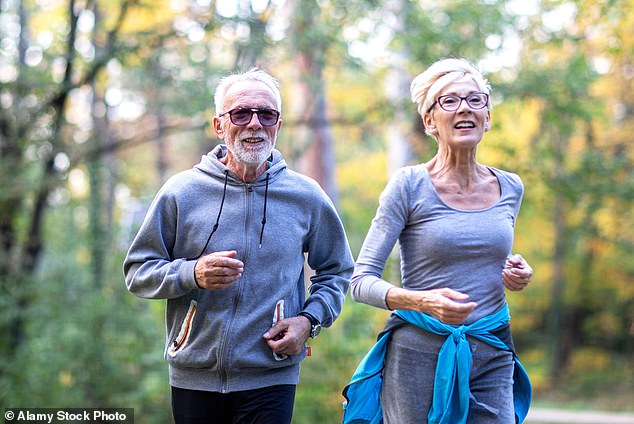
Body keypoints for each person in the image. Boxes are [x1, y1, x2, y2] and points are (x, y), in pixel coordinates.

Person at [124, 68, 354, 424]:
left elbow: (338, 270)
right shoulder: (181, 192)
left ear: (278, 125)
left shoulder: (306, 196)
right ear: (218, 125)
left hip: (271, 374)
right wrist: (192, 273)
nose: (254, 124)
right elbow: (138, 271)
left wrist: (309, 321)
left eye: (267, 114)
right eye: (241, 113)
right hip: (193, 373)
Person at [342, 58, 533, 424]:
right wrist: (422, 301)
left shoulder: (510, 186)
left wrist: (517, 272)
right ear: (430, 121)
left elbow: (486, 257)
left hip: (492, 346)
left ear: (488, 117)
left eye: (475, 100)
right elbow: (360, 282)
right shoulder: (408, 185)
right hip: (417, 353)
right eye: (449, 101)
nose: (464, 107)